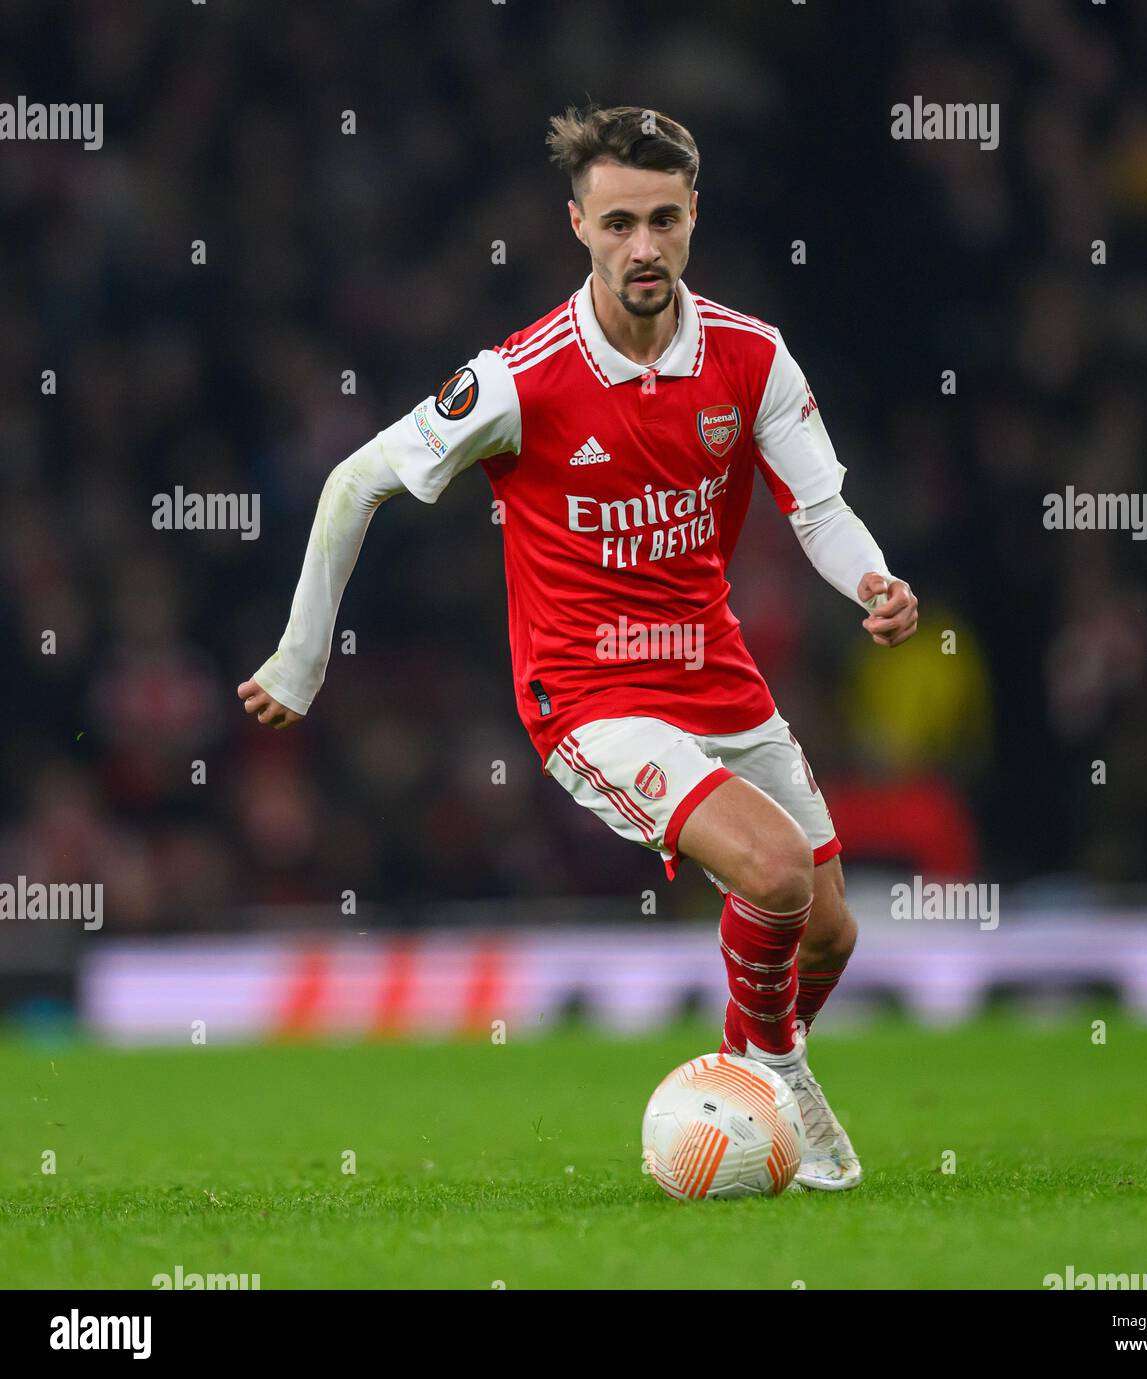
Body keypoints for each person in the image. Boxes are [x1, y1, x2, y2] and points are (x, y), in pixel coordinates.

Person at [238, 104, 918, 1191]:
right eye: (616, 224)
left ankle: (739, 1094)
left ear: (693, 213)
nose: (641, 247)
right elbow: (355, 477)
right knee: (777, 871)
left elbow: (820, 507)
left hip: (718, 677)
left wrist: (872, 579)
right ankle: (776, 1078)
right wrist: (300, 659)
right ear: (577, 225)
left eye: (660, 219)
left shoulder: (750, 355)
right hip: (591, 698)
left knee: (828, 936)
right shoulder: (520, 377)